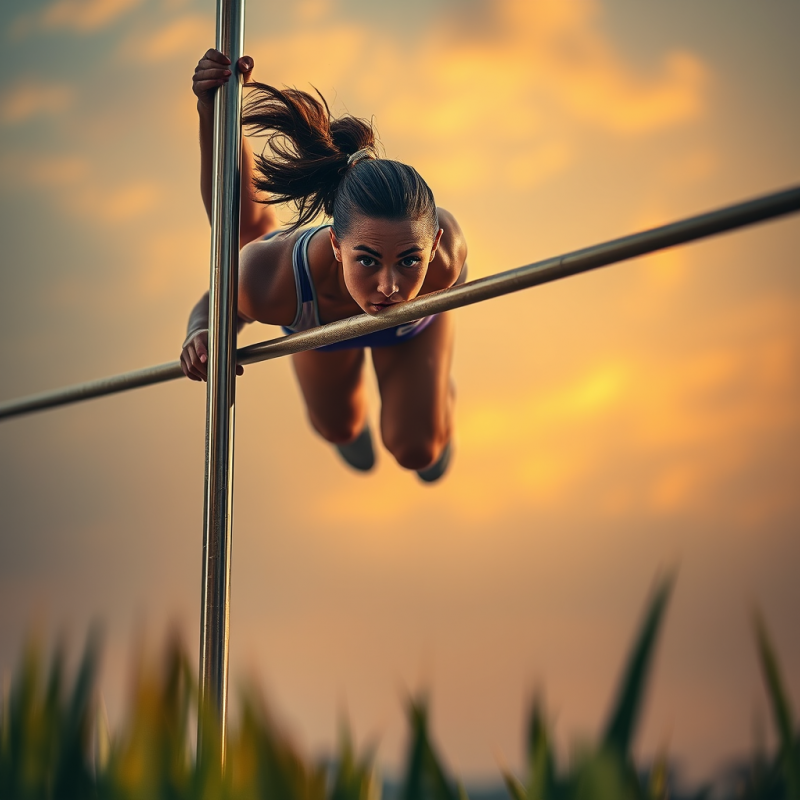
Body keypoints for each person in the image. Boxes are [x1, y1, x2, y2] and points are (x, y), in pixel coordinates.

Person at [180, 49, 468, 482]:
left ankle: (436, 406)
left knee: (416, 449)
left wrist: (429, 378)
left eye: (410, 260)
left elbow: (438, 275)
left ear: (434, 247)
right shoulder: (270, 278)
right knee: (338, 427)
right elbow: (220, 300)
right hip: (316, 319)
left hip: (409, 331)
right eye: (367, 260)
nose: (389, 286)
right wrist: (201, 333)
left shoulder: (445, 261)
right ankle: (354, 426)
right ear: (335, 244)